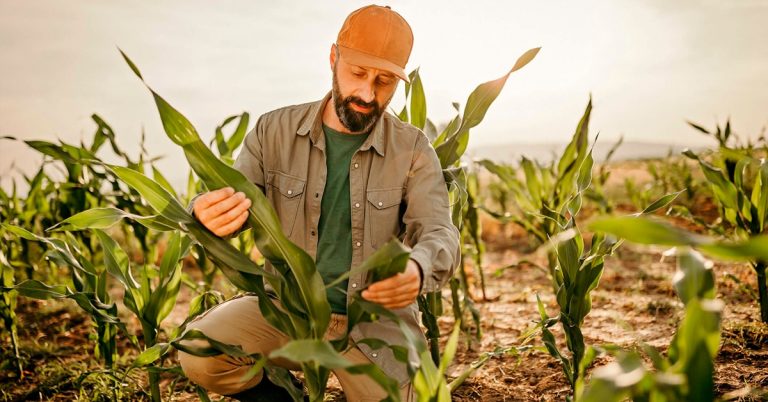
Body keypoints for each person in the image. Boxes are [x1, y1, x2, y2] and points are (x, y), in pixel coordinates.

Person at [178, 4, 460, 401]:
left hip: (372, 325)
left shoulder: (412, 149)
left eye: (384, 81)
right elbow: (235, 199)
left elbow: (437, 229)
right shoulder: (272, 132)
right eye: (358, 73)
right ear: (333, 58)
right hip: (286, 310)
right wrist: (204, 213)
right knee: (200, 351)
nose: (367, 93)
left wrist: (418, 267)